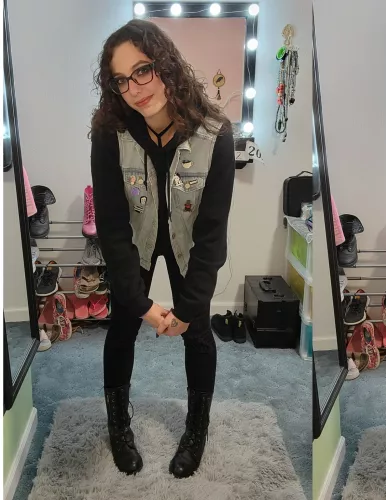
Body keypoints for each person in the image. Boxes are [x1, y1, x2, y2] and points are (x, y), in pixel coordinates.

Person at [89, 20, 235, 478]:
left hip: (188, 245)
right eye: (121, 79)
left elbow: (212, 233)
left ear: (166, 64)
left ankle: (196, 429)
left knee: (198, 333)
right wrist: (142, 305)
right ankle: (118, 426)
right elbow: (112, 227)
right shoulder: (109, 135)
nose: (135, 88)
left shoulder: (215, 134)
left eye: (143, 70)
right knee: (122, 328)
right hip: (134, 240)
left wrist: (186, 309)